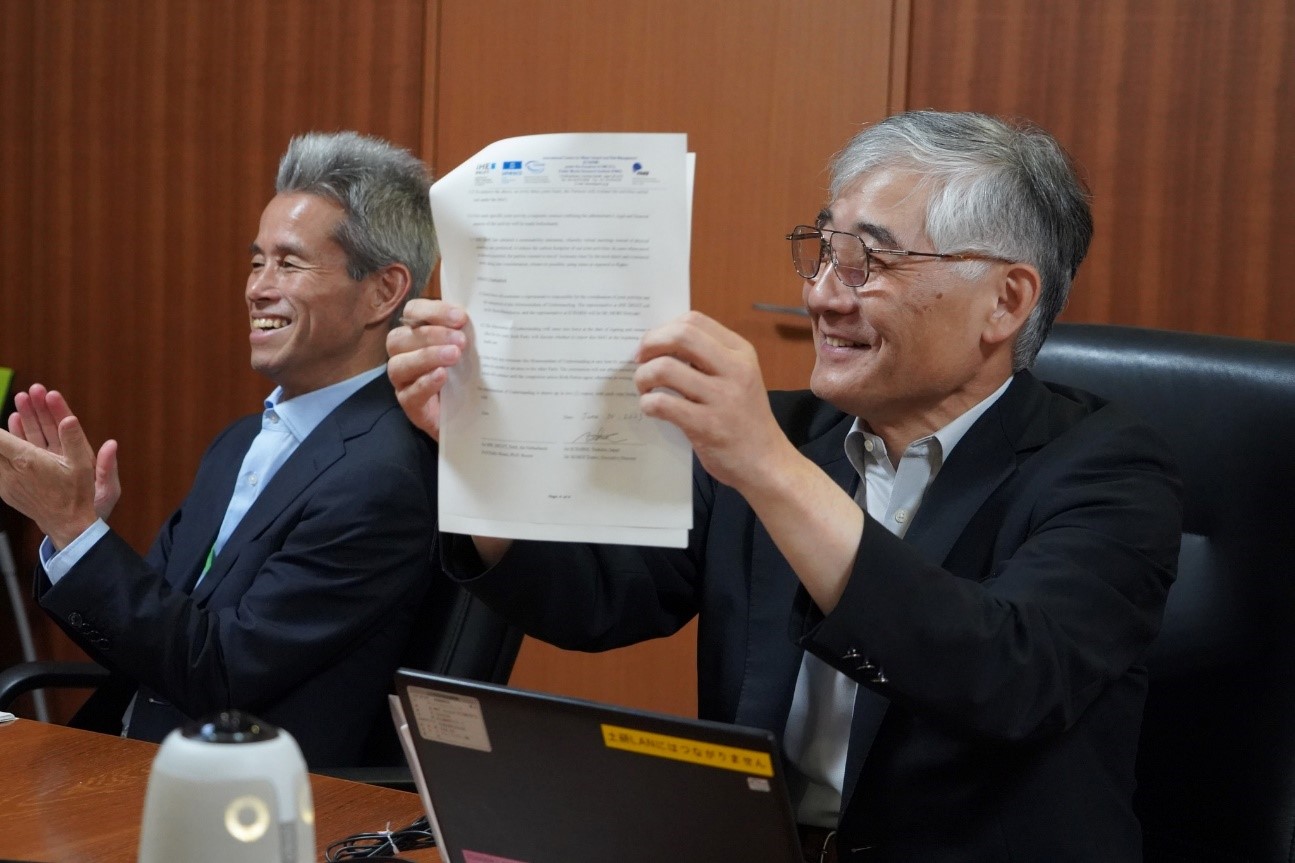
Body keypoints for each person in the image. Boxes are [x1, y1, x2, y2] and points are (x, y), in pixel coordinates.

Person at [386, 111, 1182, 861]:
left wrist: (767, 467)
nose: (823, 294)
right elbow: (598, 599)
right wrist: (475, 444)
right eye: (825, 250)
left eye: (868, 260)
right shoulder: (792, 435)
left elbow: (1005, 676)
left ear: (1004, 300)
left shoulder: (1107, 466)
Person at [0, 131, 440, 768]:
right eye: (256, 261)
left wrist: (73, 531)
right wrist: (78, 531)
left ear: (383, 291)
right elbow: (156, 639)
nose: (257, 288)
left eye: (288, 264)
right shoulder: (240, 441)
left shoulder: (382, 475)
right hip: (130, 756)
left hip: (244, 795)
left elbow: (221, 677)